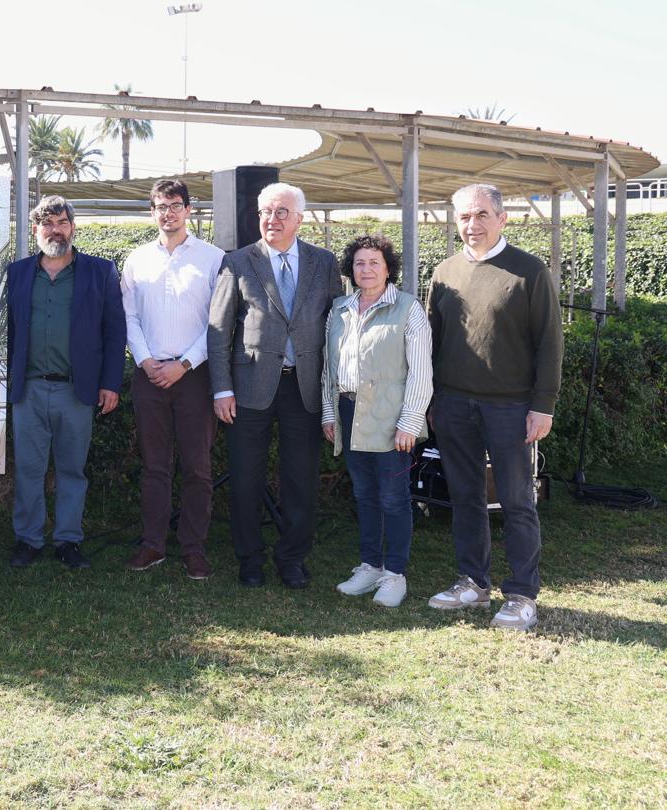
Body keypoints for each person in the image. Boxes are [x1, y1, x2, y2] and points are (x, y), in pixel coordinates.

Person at [425, 183, 561, 632]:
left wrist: (543, 405)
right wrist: (430, 402)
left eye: (482, 214)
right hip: (454, 405)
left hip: (511, 408)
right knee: (464, 497)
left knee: (518, 502)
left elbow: (549, 343)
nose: (472, 224)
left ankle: (522, 594)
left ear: (502, 219)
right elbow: (432, 341)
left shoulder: (529, 271)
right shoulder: (444, 272)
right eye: (464, 216)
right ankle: (472, 581)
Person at [208, 181, 338, 589]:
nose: (271, 219)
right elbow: (219, 329)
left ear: (300, 218)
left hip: (305, 388)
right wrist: (221, 388)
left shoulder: (324, 262)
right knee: (246, 477)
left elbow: (336, 327)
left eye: (281, 212)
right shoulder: (238, 261)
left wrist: (334, 392)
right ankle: (249, 559)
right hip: (249, 388)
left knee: (301, 478)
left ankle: (293, 558)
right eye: (265, 211)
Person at [5, 196, 125, 570]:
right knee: (28, 469)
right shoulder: (18, 273)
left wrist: (111, 384)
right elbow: (7, 330)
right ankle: (28, 539)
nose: (54, 230)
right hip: (29, 389)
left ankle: (68, 541)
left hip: (77, 390)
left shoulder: (100, 271)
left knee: (73, 469)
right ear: (37, 230)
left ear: (72, 227)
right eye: (47, 224)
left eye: (61, 222)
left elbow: (114, 330)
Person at [120, 179, 224, 579]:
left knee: (198, 467)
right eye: (160, 206)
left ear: (189, 209)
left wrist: (185, 363)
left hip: (194, 376)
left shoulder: (213, 258)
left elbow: (219, 320)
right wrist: (145, 361)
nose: (168, 212)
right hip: (149, 376)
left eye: (175, 205)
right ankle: (153, 545)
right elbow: (127, 316)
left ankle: (194, 549)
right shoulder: (136, 259)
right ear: (152, 211)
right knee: (154, 467)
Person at [321, 234, 432, 608]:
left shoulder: (408, 309)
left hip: (391, 418)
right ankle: (370, 564)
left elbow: (421, 373)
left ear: (388, 268)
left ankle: (395, 574)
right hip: (350, 412)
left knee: (393, 499)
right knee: (364, 495)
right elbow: (328, 368)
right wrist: (328, 413)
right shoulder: (339, 309)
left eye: (374, 262)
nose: (366, 269)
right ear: (350, 270)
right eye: (359, 263)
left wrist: (410, 422)